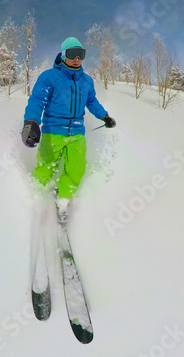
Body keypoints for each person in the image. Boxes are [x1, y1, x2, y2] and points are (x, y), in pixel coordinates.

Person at [21, 37, 117, 224]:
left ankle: (62, 198)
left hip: (76, 133)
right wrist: (31, 121)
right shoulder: (49, 77)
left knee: (77, 168)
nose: (77, 59)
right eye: (72, 54)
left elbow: (92, 102)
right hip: (52, 131)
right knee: (45, 169)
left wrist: (104, 116)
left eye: (80, 54)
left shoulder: (87, 81)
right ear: (64, 55)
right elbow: (37, 100)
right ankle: (31, 201)